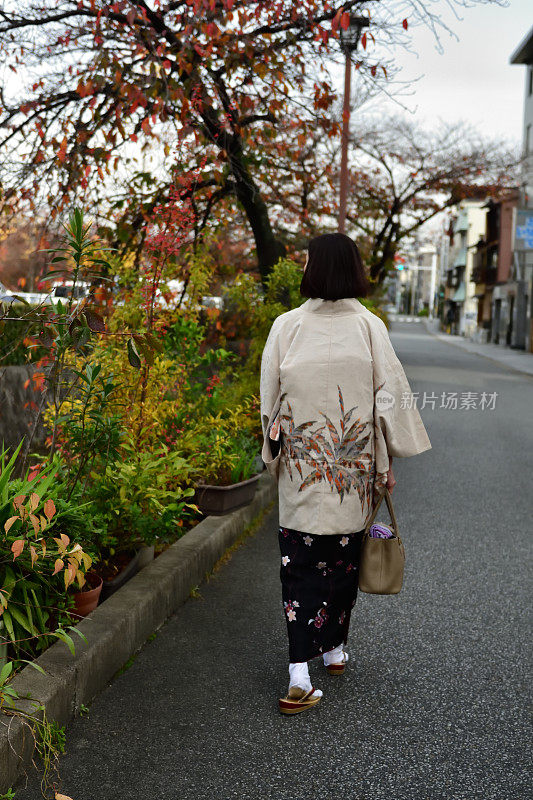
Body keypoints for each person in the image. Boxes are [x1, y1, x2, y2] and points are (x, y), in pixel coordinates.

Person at [259, 232, 432, 715]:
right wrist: (386, 463)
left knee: (298, 570)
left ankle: (303, 668)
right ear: (353, 268)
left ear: (315, 267)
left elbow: (269, 401)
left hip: (301, 470)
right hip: (353, 473)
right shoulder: (370, 327)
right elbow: (389, 400)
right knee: (342, 564)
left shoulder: (286, 327)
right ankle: (330, 651)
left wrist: (274, 450)